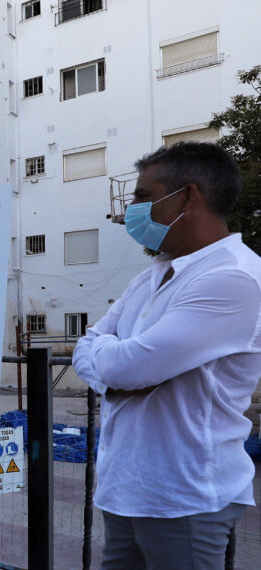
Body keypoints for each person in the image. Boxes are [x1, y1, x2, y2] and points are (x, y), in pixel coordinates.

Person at [72, 141, 261, 569]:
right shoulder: (152, 274)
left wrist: (120, 366)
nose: (131, 209)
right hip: (126, 488)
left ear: (188, 197)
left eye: (142, 195)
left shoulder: (232, 277)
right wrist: (117, 374)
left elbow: (132, 366)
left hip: (183, 496)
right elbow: (95, 346)